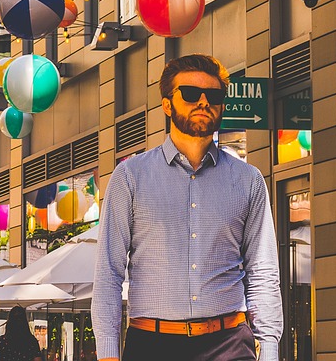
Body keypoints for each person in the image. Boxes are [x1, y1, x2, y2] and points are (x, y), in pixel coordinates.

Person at [92, 54, 283, 361]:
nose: (203, 102)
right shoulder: (130, 177)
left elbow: (262, 272)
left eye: (214, 95)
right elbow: (108, 273)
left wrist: (270, 350)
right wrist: (107, 352)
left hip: (229, 344)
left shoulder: (248, 180)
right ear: (167, 104)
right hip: (153, 345)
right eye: (191, 94)